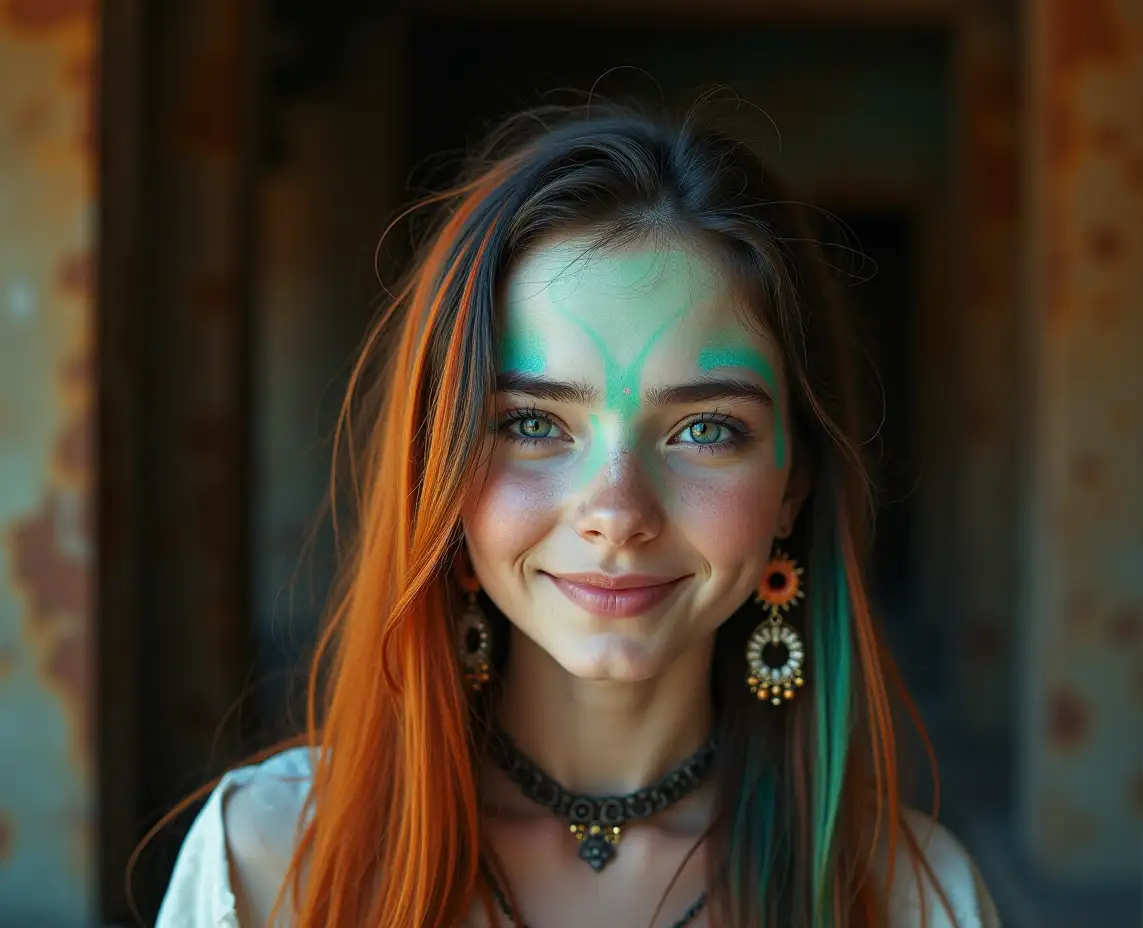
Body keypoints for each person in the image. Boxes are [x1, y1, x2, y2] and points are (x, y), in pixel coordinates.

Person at [152, 104, 999, 927]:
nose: (616, 512)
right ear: (439, 470)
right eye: (531, 424)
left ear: (794, 486)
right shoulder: (267, 861)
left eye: (706, 429)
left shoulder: (908, 900)